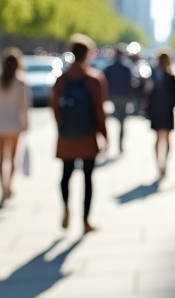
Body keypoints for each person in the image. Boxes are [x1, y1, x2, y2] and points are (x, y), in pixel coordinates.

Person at [50, 34, 107, 233]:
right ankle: (85, 220)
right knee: (88, 178)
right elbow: (100, 111)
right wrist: (104, 135)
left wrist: (61, 127)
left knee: (66, 175)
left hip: (67, 135)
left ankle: (66, 207)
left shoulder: (62, 79)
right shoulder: (94, 78)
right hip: (88, 135)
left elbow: (55, 107)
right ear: (88, 54)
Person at [0, 47, 30, 202]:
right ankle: (9, 185)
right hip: (15, 125)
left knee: (1, 159)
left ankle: (3, 187)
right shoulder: (21, 82)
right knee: (13, 158)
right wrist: (26, 123)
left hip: (0, 125)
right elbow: (24, 106)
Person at [144, 49, 175, 178]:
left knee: (165, 138)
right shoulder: (153, 75)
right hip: (157, 110)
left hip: (166, 110)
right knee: (159, 137)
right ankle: (159, 164)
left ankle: (164, 164)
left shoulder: (170, 76)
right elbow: (147, 94)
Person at [103, 44, 136, 155]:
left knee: (111, 120)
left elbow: (104, 82)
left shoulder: (109, 67)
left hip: (113, 96)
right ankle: (120, 145)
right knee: (122, 122)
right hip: (123, 97)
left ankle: (108, 143)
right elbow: (131, 83)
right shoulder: (127, 67)